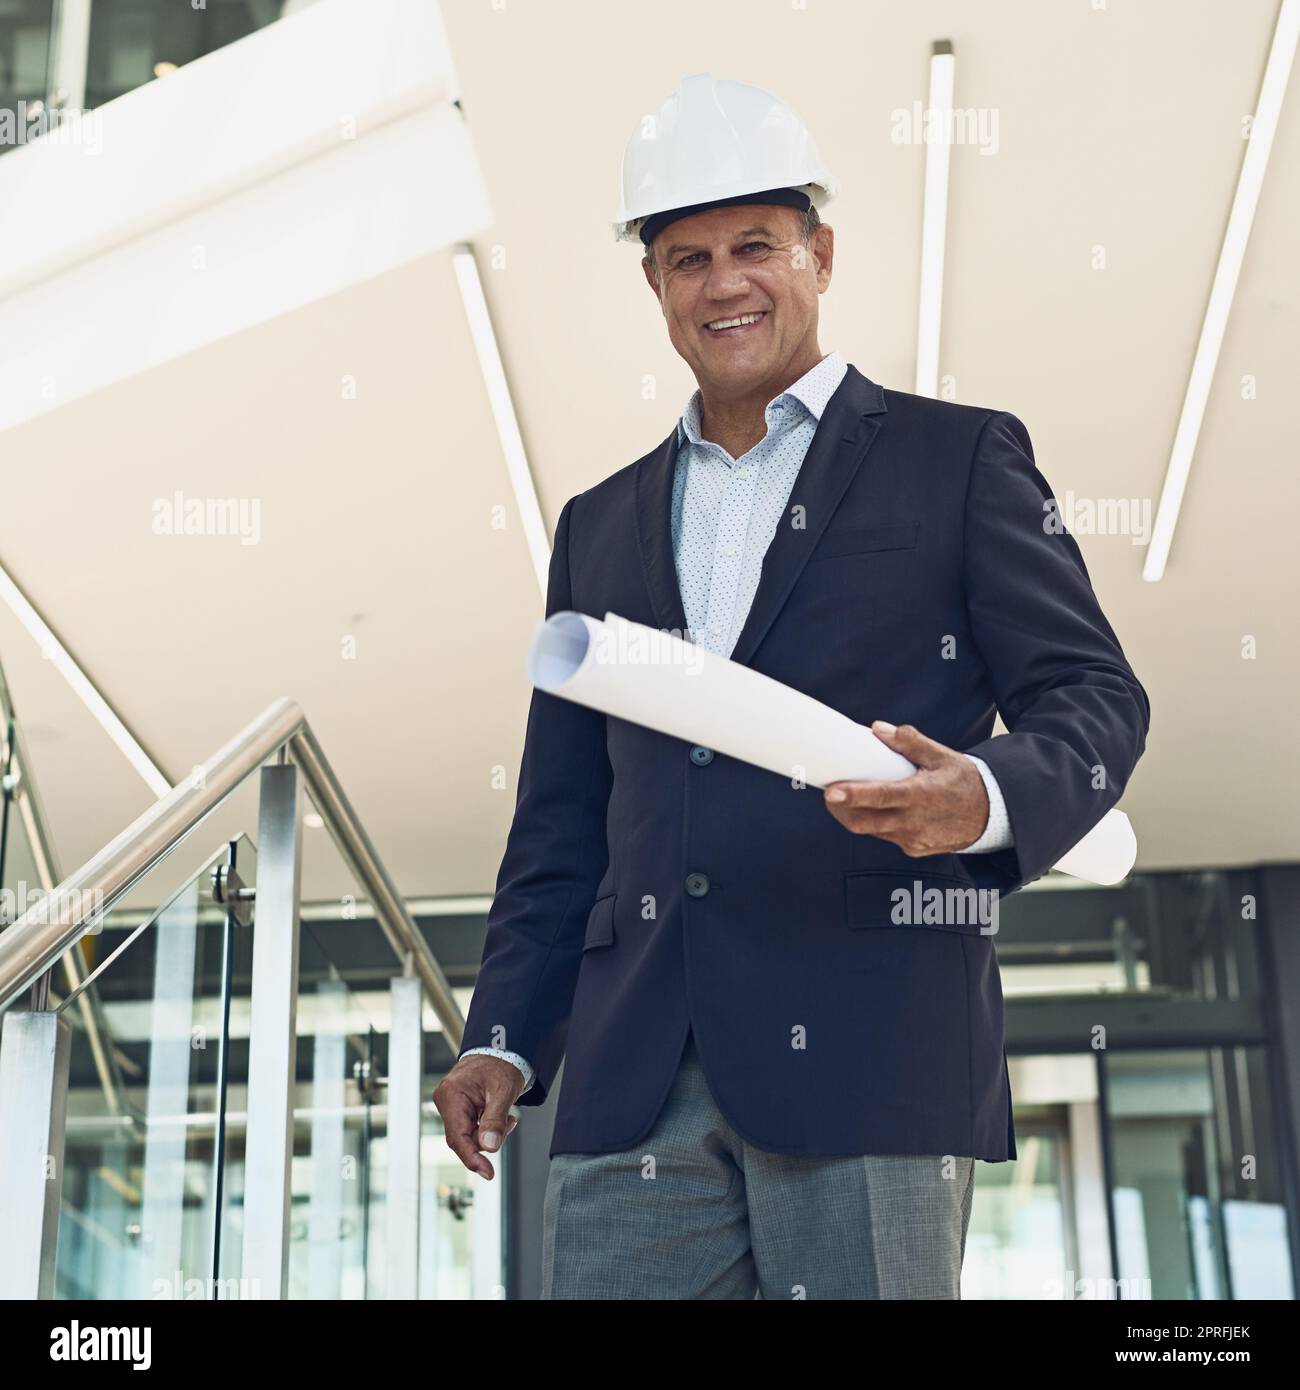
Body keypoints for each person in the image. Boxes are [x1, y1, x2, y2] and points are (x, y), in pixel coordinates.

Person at [434, 73, 1150, 1299]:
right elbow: (560, 819)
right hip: (632, 1072)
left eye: (755, 246)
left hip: (869, 1048)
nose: (724, 283)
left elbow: (1093, 695)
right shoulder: (596, 525)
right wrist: (503, 1029)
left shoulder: (957, 457)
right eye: (687, 257)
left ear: (820, 255)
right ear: (654, 287)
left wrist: (979, 795)